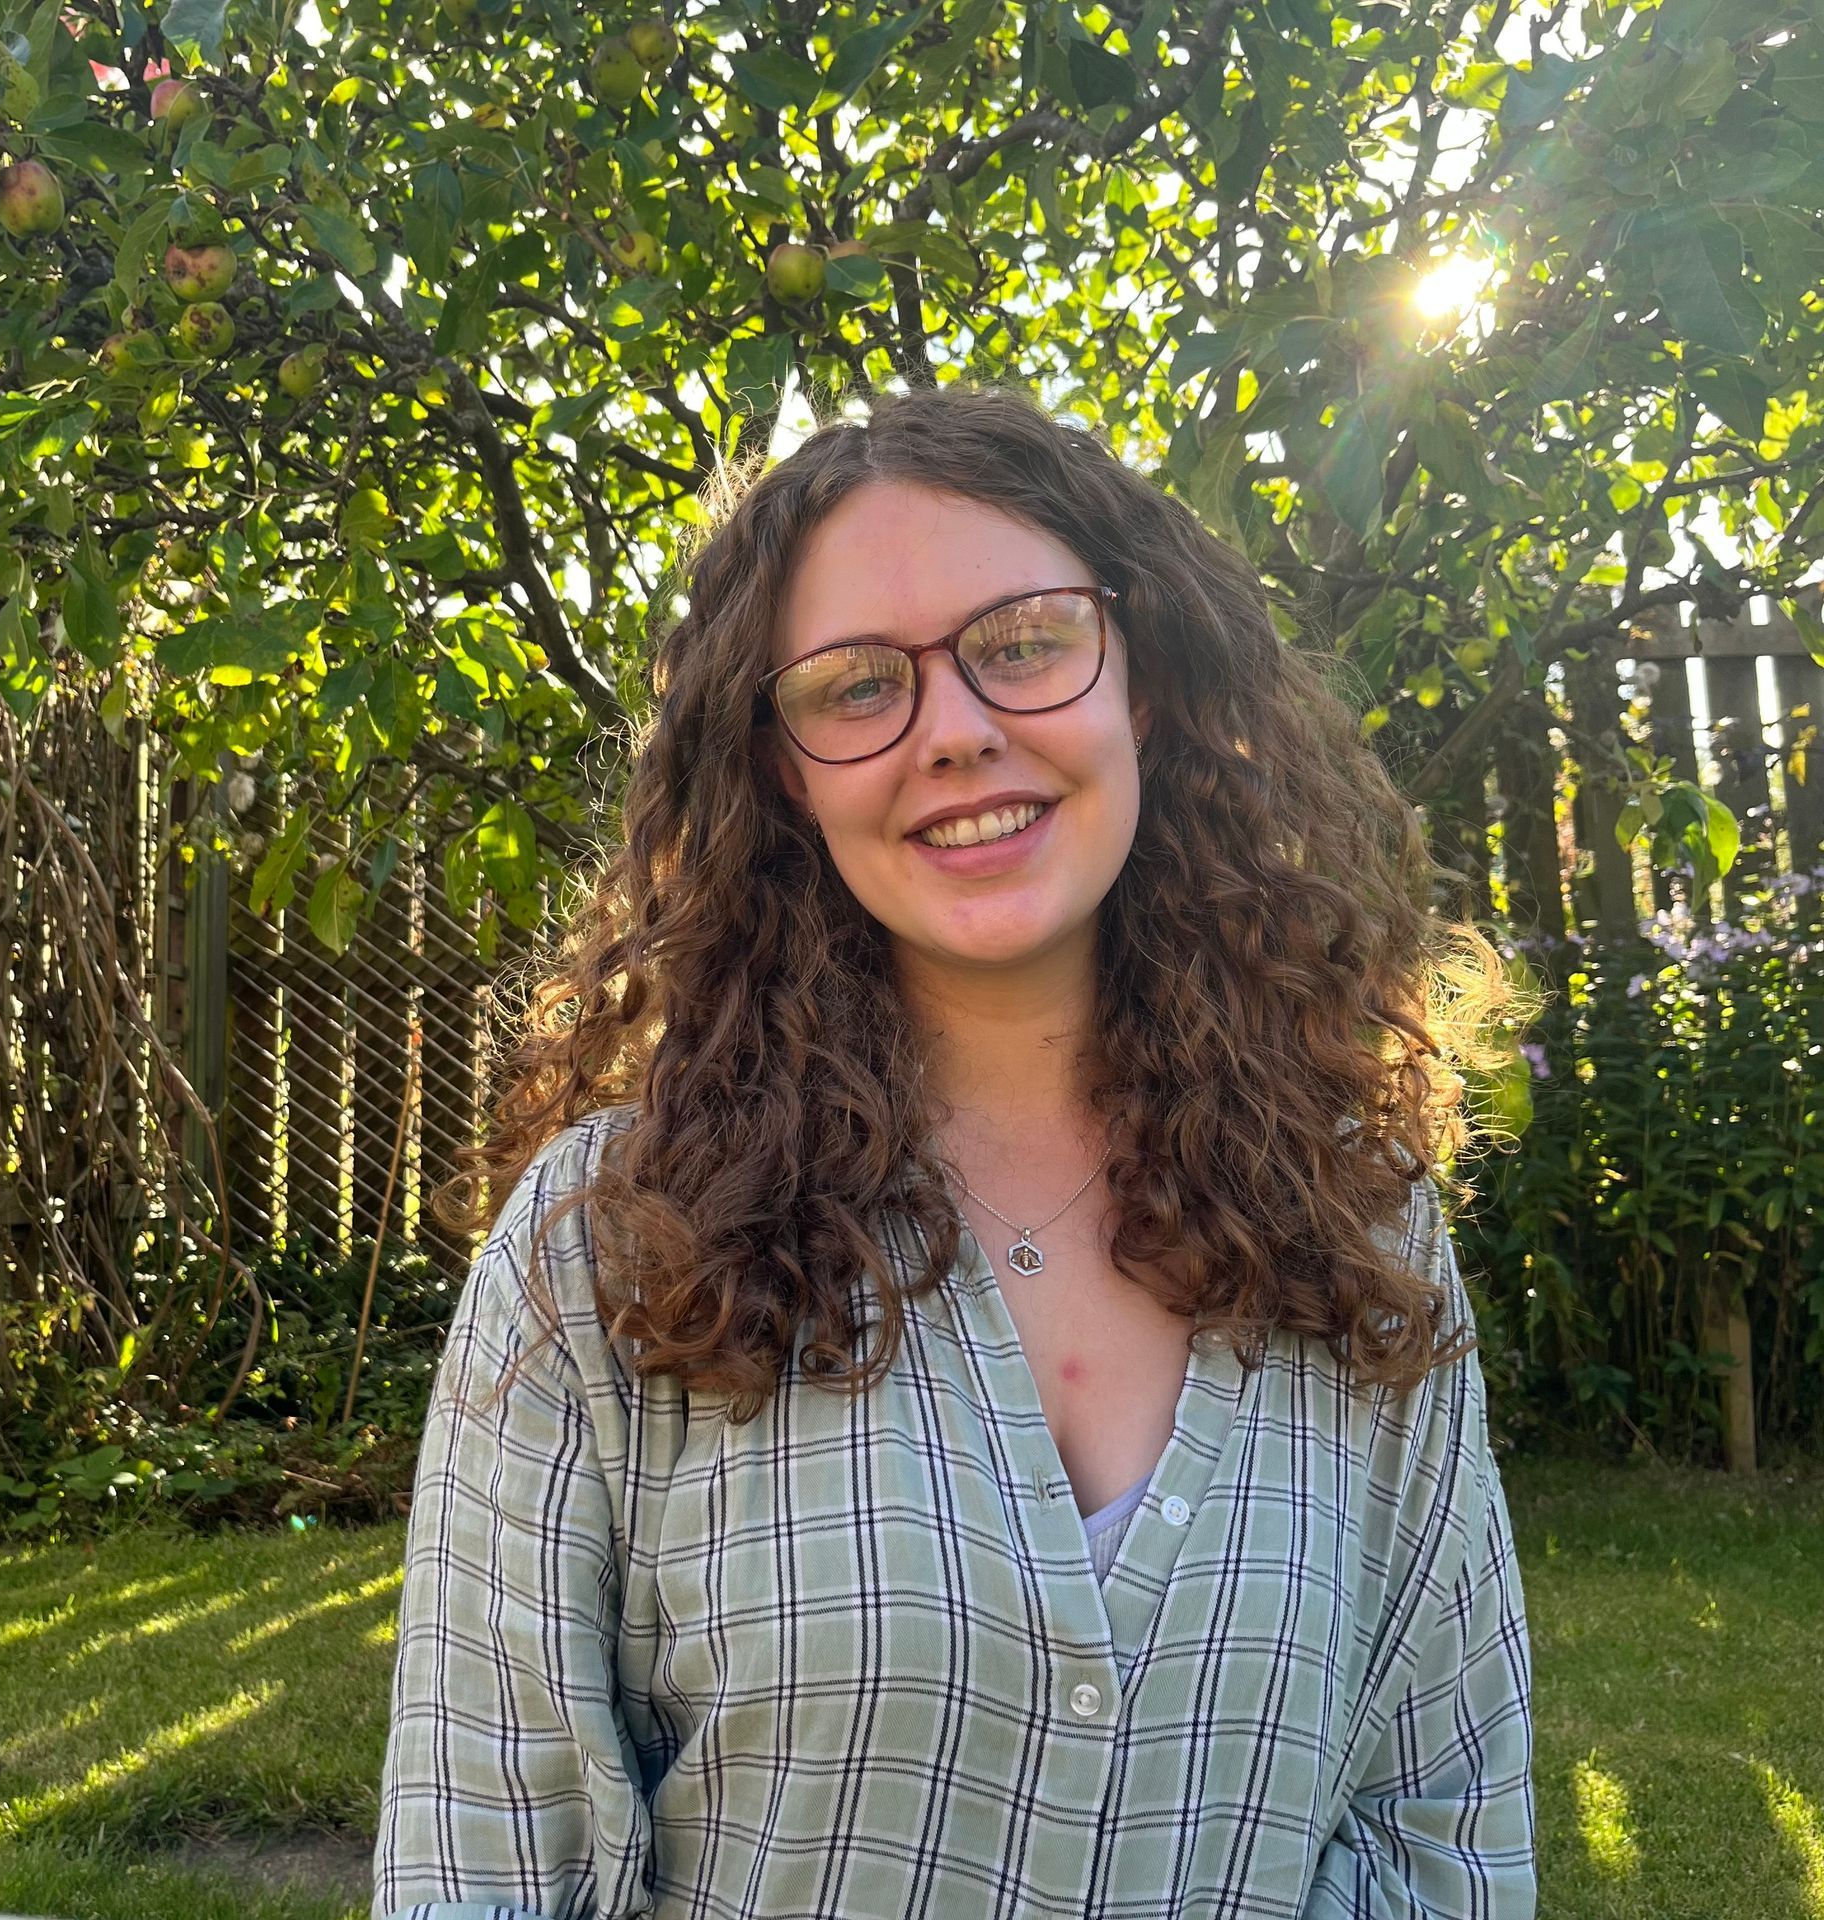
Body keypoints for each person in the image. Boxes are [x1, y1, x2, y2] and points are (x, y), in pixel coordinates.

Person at [372, 380, 1539, 1919]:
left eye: (1028, 641)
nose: (959, 733)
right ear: (784, 769)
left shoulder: (1361, 1226)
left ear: (1148, 680)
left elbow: (1438, 1832)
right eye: (858, 686)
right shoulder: (606, 1248)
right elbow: (485, 1863)